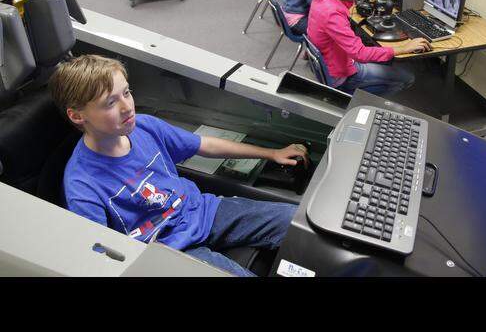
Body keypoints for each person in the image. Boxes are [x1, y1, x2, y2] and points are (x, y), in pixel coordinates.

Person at [48, 55, 310, 277]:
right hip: (170, 249)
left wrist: (272, 153)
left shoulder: (145, 127)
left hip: (203, 210)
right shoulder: (82, 184)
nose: (128, 107)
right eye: (110, 102)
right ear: (77, 115)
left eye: (126, 92)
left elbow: (205, 145)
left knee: (301, 226)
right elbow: (97, 254)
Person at [307, 0, 428, 95]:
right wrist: (404, 48)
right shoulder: (332, 14)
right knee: (407, 77)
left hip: (331, 65)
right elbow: (360, 54)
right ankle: (365, 104)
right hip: (341, 77)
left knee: (383, 55)